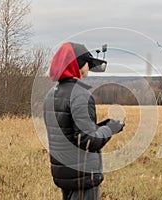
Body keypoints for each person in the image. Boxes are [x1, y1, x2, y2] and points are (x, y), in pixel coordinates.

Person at [43, 42, 125, 200]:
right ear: (78, 65)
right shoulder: (80, 95)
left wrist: (104, 125)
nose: (89, 66)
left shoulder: (51, 95)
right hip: (82, 175)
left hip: (64, 174)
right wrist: (112, 128)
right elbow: (88, 141)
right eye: (87, 62)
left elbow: (70, 132)